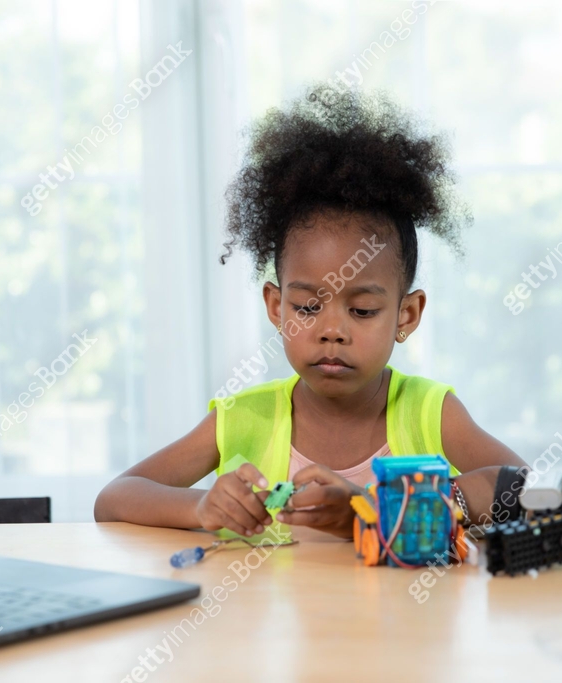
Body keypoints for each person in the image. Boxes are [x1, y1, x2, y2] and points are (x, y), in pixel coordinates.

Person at [94, 85, 527, 539]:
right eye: (307, 307)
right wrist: (202, 505)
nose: (331, 331)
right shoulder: (244, 418)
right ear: (277, 307)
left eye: (361, 310)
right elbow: (114, 498)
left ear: (407, 315)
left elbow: (529, 491)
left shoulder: (430, 413)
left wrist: (376, 510)